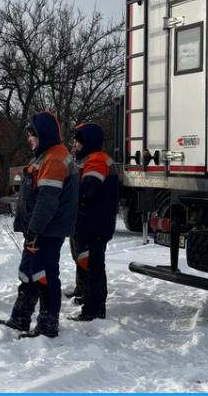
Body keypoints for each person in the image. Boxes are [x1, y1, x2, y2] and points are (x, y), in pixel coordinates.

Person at [0, 112, 78, 338]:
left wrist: (34, 231)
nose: (29, 139)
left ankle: (47, 324)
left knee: (43, 275)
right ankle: (20, 317)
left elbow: (47, 201)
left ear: (43, 134)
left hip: (46, 231)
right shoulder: (45, 155)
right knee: (29, 272)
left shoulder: (54, 159)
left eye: (32, 135)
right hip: (39, 230)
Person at [68, 122, 119, 321]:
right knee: (83, 260)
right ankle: (83, 294)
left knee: (93, 266)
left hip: (96, 222)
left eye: (77, 142)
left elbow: (88, 188)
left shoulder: (98, 160)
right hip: (86, 222)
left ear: (88, 142)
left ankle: (94, 308)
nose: (74, 145)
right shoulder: (85, 159)